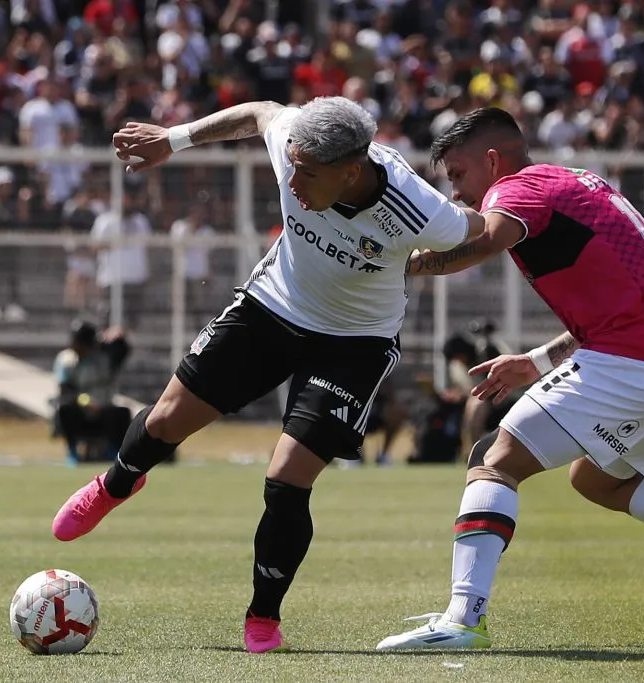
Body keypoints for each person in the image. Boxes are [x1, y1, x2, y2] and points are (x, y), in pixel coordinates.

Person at [50, 96, 487, 653]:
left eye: (308, 174)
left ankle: (263, 616)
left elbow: (484, 230)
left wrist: (420, 263)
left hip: (353, 344)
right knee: (164, 421)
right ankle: (115, 484)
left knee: (286, 479)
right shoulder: (292, 142)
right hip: (272, 308)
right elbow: (259, 111)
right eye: (293, 167)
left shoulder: (421, 210)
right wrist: (173, 139)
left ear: (351, 171)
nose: (292, 182)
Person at [376, 108, 644, 650]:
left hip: (636, 362)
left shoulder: (517, 188)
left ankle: (463, 618)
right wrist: (537, 361)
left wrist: (403, 263)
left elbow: (487, 240)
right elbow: (618, 303)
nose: (458, 194)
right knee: (596, 478)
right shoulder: (578, 184)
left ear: (492, 161)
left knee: (493, 458)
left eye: (458, 176)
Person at [52, 320, 133, 466]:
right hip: (80, 411)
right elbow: (66, 391)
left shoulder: (105, 356)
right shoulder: (65, 360)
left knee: (122, 413)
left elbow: (122, 349)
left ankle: (114, 451)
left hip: (105, 411)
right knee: (64, 409)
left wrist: (117, 336)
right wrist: (86, 402)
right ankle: (72, 451)